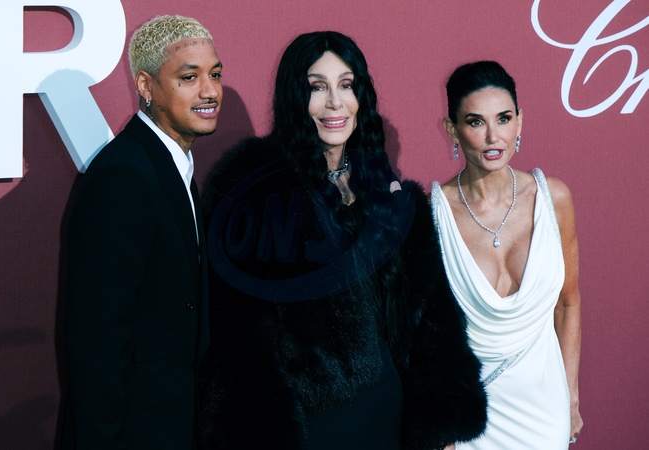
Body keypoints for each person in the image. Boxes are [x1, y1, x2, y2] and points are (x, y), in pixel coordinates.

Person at [198, 31, 486, 450]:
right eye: (317, 87)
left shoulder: (391, 198)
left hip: (389, 414)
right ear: (294, 97)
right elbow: (240, 342)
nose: (335, 102)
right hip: (314, 425)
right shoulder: (254, 195)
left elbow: (432, 320)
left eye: (346, 85)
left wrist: (441, 424)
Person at [60, 15, 222, 449]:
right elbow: (96, 340)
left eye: (215, 74)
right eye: (189, 77)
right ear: (146, 86)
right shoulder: (122, 176)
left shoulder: (172, 166)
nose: (209, 91)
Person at [430, 60, 583, 449]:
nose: (492, 136)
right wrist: (440, 423)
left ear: (520, 122)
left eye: (503, 118)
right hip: (472, 419)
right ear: (452, 129)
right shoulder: (433, 215)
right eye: (475, 122)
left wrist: (571, 396)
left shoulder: (553, 199)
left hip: (545, 412)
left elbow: (568, 303)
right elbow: (426, 338)